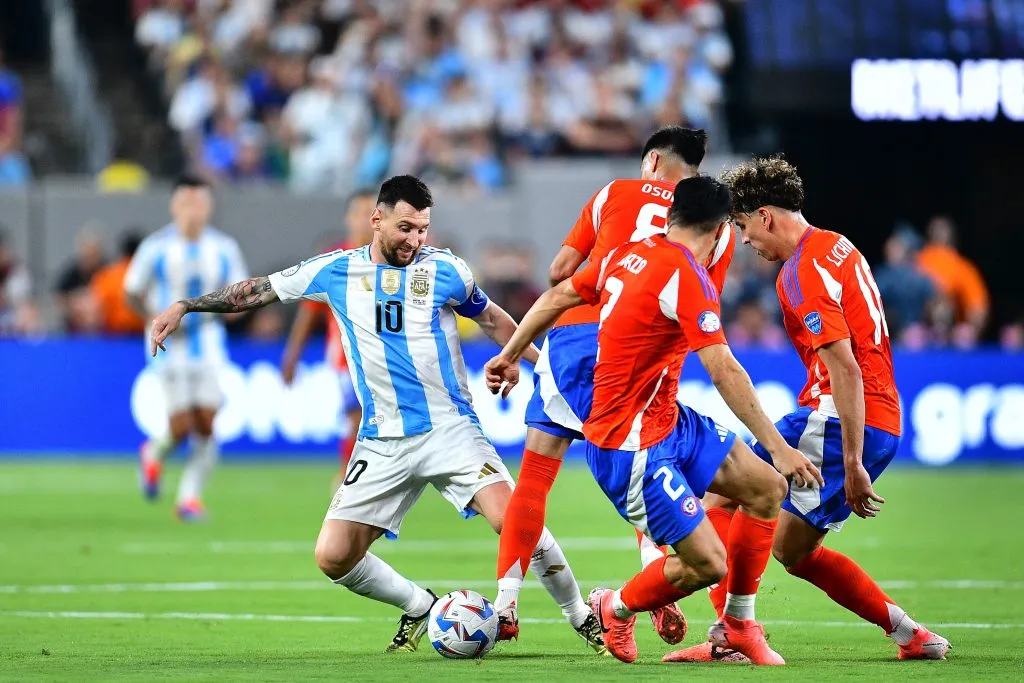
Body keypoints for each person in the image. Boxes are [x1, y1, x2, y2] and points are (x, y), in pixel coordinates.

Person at [147, 175, 606, 654]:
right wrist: (186, 305)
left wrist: (531, 363)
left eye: (423, 229)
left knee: (513, 519)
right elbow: (258, 291)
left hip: (451, 429)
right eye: (406, 228)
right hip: (381, 440)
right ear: (377, 219)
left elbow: (490, 318)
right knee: (334, 555)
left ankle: (580, 616)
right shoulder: (335, 271)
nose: (415, 240)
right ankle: (422, 607)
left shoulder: (447, 270)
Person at [486, 176, 823, 665]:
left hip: (668, 419)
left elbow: (558, 295)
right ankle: (616, 607)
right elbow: (724, 369)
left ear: (673, 217)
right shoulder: (687, 276)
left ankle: (738, 625)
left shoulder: (629, 253)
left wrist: (510, 354)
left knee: (767, 489)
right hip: (629, 447)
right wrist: (779, 445)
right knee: (708, 563)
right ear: (719, 231)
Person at [666, 156, 949, 662]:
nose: (746, 242)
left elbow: (844, 367)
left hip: (835, 420)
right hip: (876, 418)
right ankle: (911, 635)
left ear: (767, 216)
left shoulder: (801, 273)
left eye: (746, 228)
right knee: (793, 551)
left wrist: (856, 462)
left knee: (723, 499)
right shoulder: (838, 245)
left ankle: (731, 633)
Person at [492, 125, 722, 645]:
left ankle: (506, 603)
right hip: (642, 354)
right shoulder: (715, 228)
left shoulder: (614, 193)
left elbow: (559, 270)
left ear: (654, 161)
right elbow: (699, 299)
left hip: (575, 341)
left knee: (534, 476)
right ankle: (653, 570)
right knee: (643, 459)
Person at [125, 174, 249, 521]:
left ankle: (189, 499)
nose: (193, 211)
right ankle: (152, 453)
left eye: (200, 203)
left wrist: (234, 314)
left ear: (209, 207)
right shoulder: (157, 247)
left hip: (208, 346)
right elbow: (131, 290)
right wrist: (153, 317)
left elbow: (241, 294)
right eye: (186, 203)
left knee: (207, 424)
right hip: (171, 349)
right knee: (180, 426)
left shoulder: (224, 248)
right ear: (174, 206)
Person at [280, 189, 377, 483]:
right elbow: (309, 312)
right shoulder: (333, 263)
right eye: (358, 213)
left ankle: (358, 475)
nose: (364, 220)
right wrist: (292, 354)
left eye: (371, 214)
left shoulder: (395, 262)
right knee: (357, 417)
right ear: (348, 218)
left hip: (385, 357)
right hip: (345, 357)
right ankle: (347, 476)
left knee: (374, 420)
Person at [91, 231, 146, 335]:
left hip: (113, 335)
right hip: (142, 333)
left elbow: (98, 307)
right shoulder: (147, 274)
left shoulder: (107, 275)